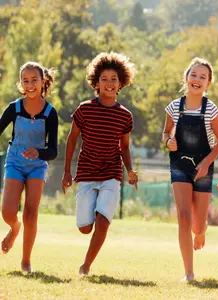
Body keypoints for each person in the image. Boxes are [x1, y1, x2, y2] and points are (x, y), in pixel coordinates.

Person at [62, 52, 138, 276]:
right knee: (85, 228)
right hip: (86, 173)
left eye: (114, 79)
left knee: (103, 221)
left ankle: (86, 266)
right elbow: (72, 138)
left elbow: (124, 147)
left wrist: (130, 171)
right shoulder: (85, 109)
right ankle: (93, 214)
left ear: (121, 83)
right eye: (104, 79)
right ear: (96, 82)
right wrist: (67, 171)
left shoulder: (125, 116)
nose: (109, 83)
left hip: (111, 174)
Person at [162, 57, 218, 282]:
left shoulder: (211, 109)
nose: (197, 80)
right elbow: (166, 133)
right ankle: (189, 272)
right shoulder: (173, 107)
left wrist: (206, 163)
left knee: (197, 225)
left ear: (208, 83)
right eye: (194, 75)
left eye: (203, 77)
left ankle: (201, 230)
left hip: (203, 165)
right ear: (186, 78)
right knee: (183, 216)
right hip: (179, 165)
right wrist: (168, 140)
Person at [0, 62, 58, 272]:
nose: (30, 84)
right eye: (26, 81)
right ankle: (14, 229)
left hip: (37, 166)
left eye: (34, 80)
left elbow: (52, 151)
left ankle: (26, 261)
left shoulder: (50, 113)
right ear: (21, 84)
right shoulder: (13, 108)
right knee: (7, 212)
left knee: (31, 214)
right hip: (15, 162)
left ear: (43, 82)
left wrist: (38, 152)